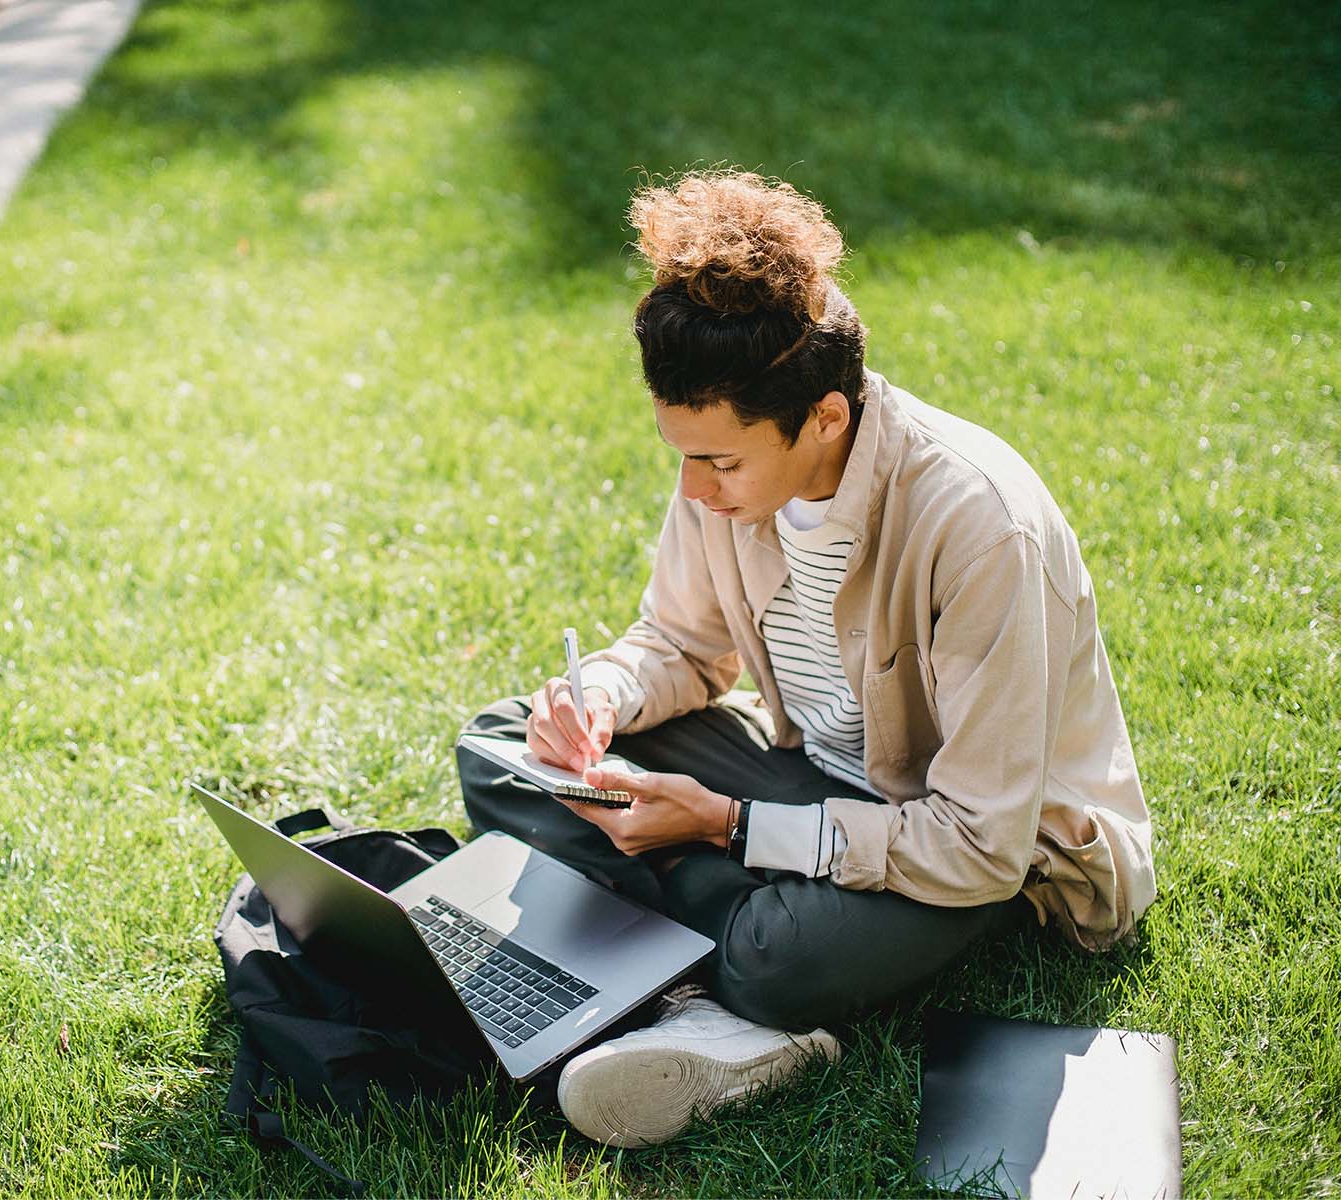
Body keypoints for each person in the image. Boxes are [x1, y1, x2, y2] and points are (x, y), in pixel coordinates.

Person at [456, 169, 1156, 1148]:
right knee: (499, 744)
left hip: (978, 852)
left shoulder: (982, 527)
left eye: (721, 462)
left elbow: (978, 844)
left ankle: (669, 970)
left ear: (825, 417)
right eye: (682, 457)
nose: (696, 491)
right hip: (811, 780)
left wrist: (725, 826)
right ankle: (701, 989)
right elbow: (682, 646)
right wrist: (599, 704)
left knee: (782, 961)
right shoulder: (725, 479)